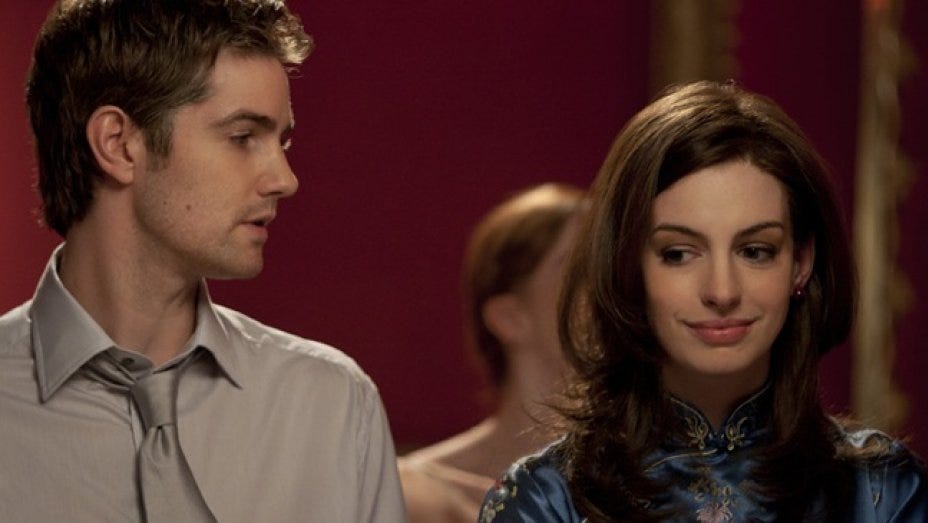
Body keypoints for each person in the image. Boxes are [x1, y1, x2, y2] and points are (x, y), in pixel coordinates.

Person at [0, 1, 406, 521]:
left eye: (281, 140)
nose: (284, 179)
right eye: (243, 137)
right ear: (119, 145)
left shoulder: (333, 407)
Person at [479, 81, 928, 522]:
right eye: (678, 254)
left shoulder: (882, 493)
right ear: (627, 265)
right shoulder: (547, 500)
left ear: (801, 263)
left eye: (755, 251)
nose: (722, 291)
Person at [399, 183, 584, 522]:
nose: (613, 289)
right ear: (509, 317)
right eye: (580, 267)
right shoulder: (417, 495)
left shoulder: (665, 481)